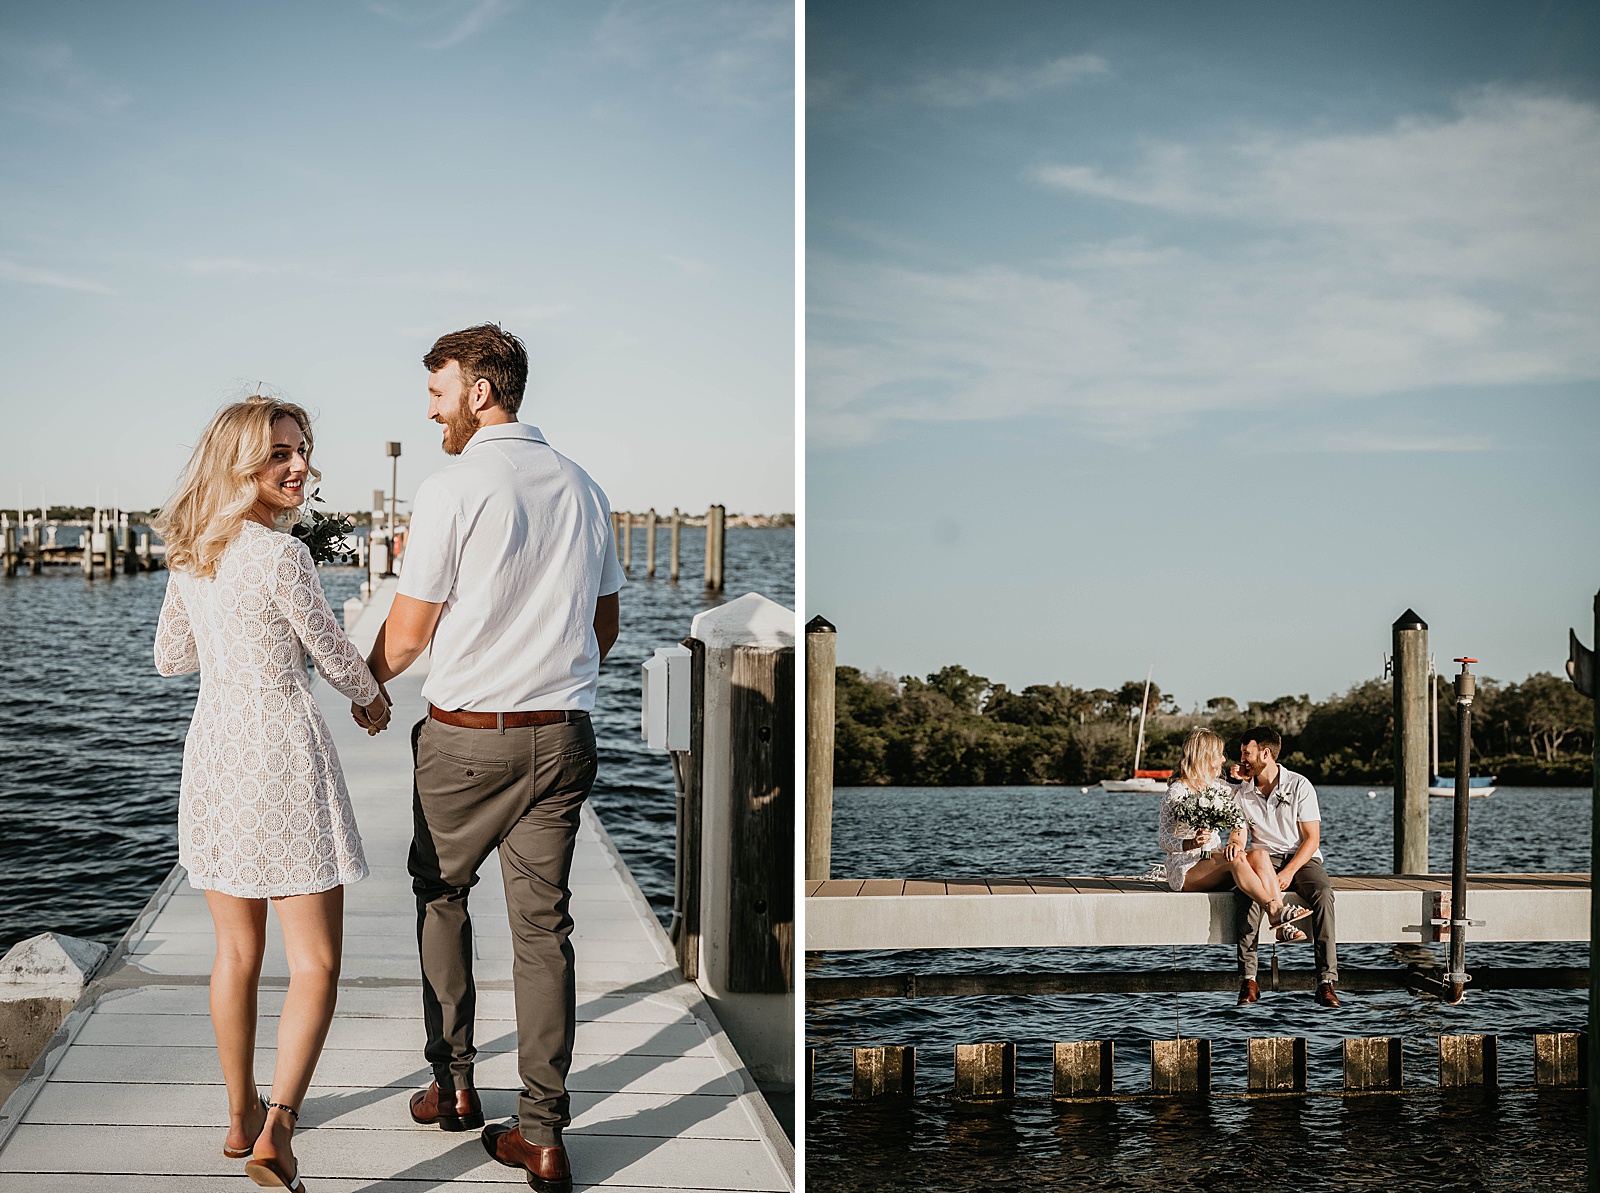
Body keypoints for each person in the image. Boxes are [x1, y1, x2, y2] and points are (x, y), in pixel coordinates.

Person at [358, 324, 622, 1193]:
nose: (431, 411)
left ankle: (455, 1083)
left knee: (442, 897)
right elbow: (604, 625)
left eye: (437, 393)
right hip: (565, 736)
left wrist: (362, 682)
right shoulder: (586, 488)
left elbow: (406, 633)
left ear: (478, 390)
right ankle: (543, 1134)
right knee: (545, 931)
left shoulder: (453, 486)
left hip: (468, 741)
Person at [154, 397, 391, 1192]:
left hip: (216, 753)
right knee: (316, 959)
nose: (299, 466)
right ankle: (278, 1129)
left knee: (235, 952)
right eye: (280, 454)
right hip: (282, 753)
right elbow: (331, 651)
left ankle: (236, 1116)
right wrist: (372, 697)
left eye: (303, 451)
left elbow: (170, 658)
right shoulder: (283, 558)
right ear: (241, 463)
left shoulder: (193, 552)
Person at [1159, 728, 1311, 941]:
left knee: (1259, 854)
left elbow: (1247, 793)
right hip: (1187, 869)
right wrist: (1190, 843)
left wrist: (1246, 775)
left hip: (1214, 862)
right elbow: (1163, 840)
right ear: (1205, 757)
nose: (1223, 760)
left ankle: (1279, 926)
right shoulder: (1177, 792)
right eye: (1219, 755)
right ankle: (1275, 911)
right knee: (1237, 856)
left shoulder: (1218, 786)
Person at [1232, 726, 1340, 1009]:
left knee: (1324, 894)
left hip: (1302, 859)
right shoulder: (1241, 791)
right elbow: (1239, 831)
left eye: (1247, 753)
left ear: (1265, 754)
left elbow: (1312, 839)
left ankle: (1326, 982)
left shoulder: (1299, 785)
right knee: (1246, 897)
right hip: (1262, 858)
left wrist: (1289, 872)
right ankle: (1249, 979)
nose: (1242, 759)